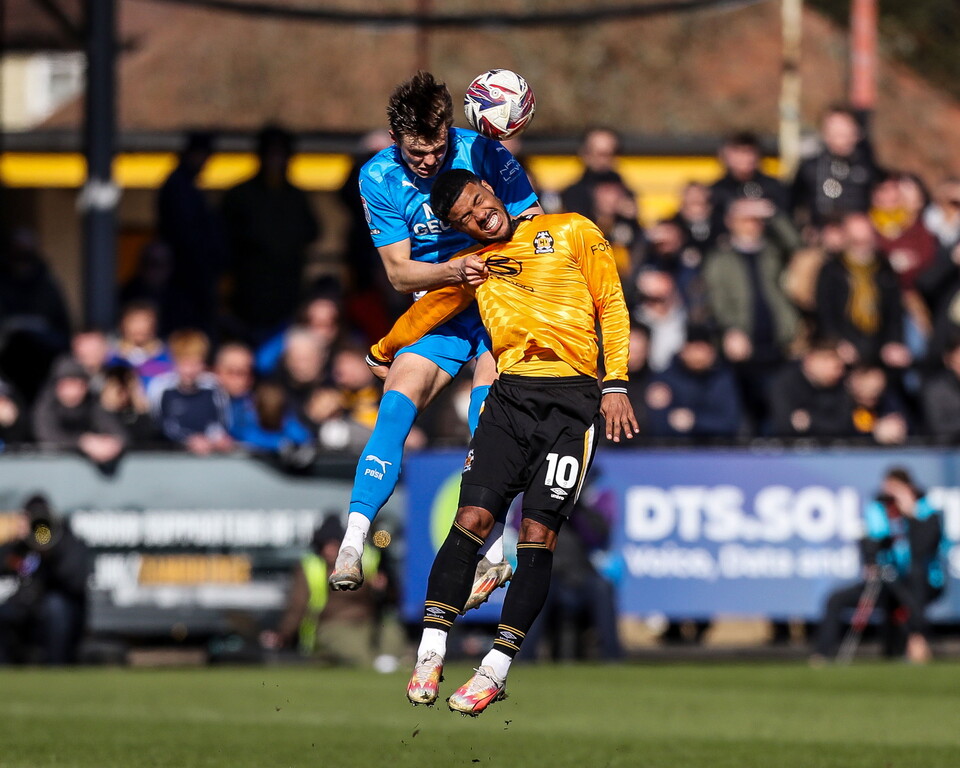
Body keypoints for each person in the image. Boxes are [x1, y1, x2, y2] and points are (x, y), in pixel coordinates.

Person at [367, 168, 636, 715]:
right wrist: (384, 348)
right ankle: (431, 652)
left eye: (477, 201)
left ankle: (496, 668)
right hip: (510, 401)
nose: (477, 215)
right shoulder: (476, 264)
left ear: (491, 191)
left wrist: (616, 382)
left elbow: (610, 302)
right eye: (462, 217)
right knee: (471, 523)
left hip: (573, 402)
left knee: (537, 535)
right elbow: (432, 308)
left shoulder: (571, 231)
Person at [328, 71, 541, 608]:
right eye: (415, 152)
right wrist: (455, 271)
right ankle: (352, 541)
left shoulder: (486, 153)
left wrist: (489, 267)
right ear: (396, 139)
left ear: (451, 128)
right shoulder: (377, 176)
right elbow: (400, 274)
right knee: (395, 406)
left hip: (499, 300)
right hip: (440, 304)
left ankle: (496, 549)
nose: (427, 161)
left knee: (487, 420)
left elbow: (536, 228)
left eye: (436, 148)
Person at [812, 468, 946, 663]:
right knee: (836, 599)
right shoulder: (879, 509)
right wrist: (871, 559)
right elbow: (872, 544)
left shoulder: (927, 512)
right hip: (887, 581)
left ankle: (918, 639)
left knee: (912, 586)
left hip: (921, 582)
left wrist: (911, 515)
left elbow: (921, 551)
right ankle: (822, 654)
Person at [220, 124, 321, 343]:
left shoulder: (296, 198)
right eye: (271, 153)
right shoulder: (240, 196)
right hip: (248, 295)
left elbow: (312, 232)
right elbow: (222, 243)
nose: (276, 160)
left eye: (281, 154)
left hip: (287, 294)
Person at [259, 516, 397, 666]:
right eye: (325, 544)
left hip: (369, 624)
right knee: (360, 655)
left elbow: (392, 597)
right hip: (332, 626)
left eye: (334, 544)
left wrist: (381, 587)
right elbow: (298, 606)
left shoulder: (367, 558)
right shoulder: (310, 566)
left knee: (393, 638)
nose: (330, 549)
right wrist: (284, 635)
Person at [0, 494, 90, 665]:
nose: (38, 528)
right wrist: (17, 541)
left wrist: (50, 553)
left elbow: (76, 580)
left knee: (55, 607)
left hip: (58, 609)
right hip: (25, 606)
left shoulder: (66, 542)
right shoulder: (19, 547)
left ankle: (57, 667)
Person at [156, 130, 228, 337]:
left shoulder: (186, 185)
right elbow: (186, 235)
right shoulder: (179, 186)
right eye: (203, 156)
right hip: (187, 276)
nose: (205, 163)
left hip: (192, 273)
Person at [790, 106, 878, 229]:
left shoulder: (870, 166)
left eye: (844, 130)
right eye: (834, 130)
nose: (839, 136)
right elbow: (793, 204)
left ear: (857, 132)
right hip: (820, 234)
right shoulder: (810, 168)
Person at [147, 329, 233, 455]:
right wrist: (189, 440)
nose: (189, 371)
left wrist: (216, 438)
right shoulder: (160, 388)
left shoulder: (213, 387)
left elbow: (221, 421)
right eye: (184, 363)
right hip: (171, 456)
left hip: (209, 456)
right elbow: (160, 424)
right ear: (174, 361)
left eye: (195, 363)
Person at [31, 357, 127, 470]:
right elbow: (44, 434)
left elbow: (119, 433)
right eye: (67, 384)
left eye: (77, 384)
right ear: (57, 386)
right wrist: (82, 442)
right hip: (47, 469)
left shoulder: (91, 403)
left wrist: (112, 444)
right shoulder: (46, 403)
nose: (73, 390)